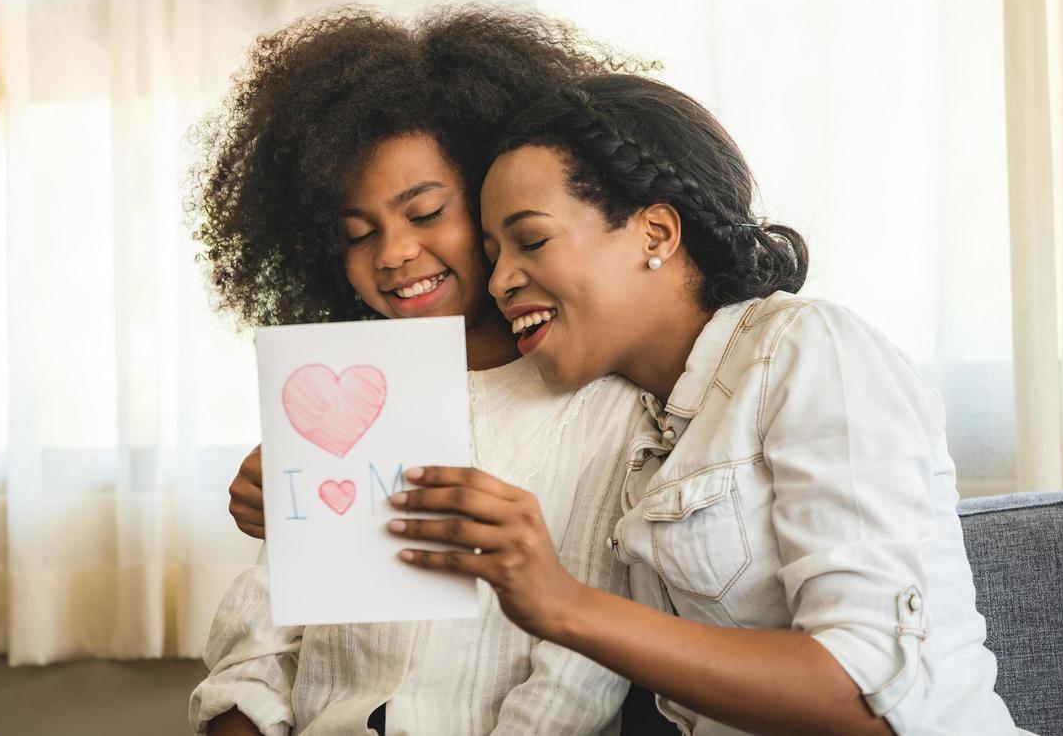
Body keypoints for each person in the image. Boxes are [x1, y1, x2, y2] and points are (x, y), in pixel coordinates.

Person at [387, 74, 1026, 735]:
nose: (499, 281)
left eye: (531, 240)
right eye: (490, 254)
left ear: (656, 233)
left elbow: (864, 697)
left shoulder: (804, 350)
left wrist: (563, 605)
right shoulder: (624, 422)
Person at [188, 9, 653, 735]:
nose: (393, 254)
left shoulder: (603, 402)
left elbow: (577, 676)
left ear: (497, 203)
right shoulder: (336, 398)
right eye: (357, 234)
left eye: (426, 212)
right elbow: (256, 647)